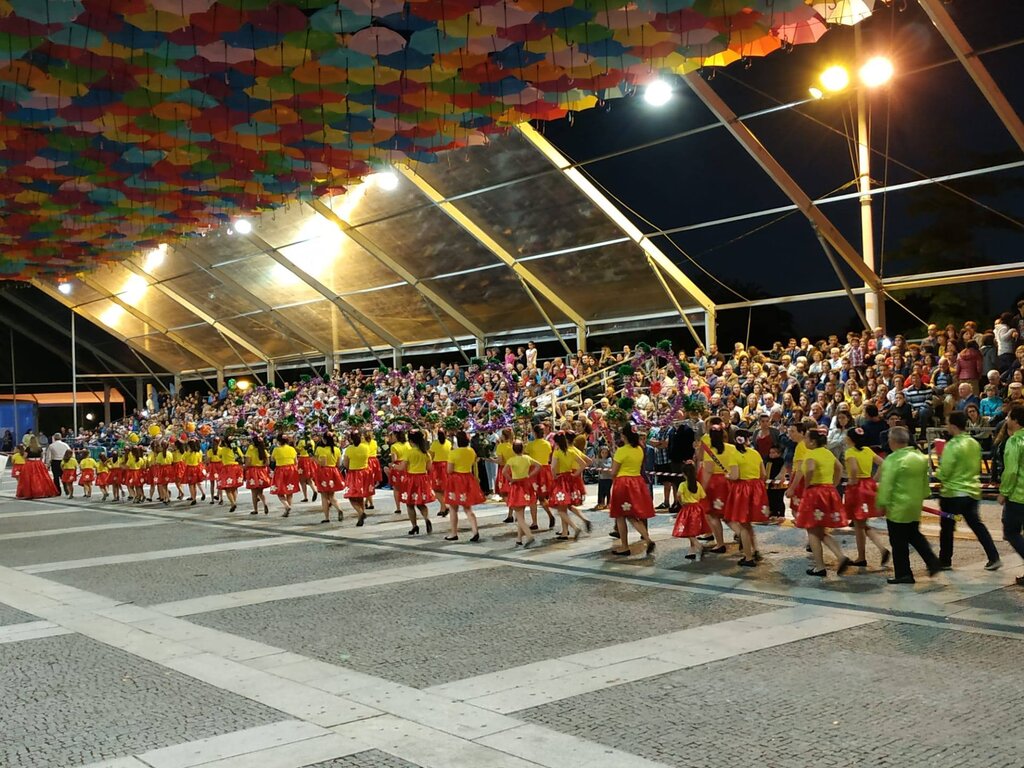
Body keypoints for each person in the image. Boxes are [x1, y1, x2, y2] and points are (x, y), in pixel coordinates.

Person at [875, 426, 942, 584]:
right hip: (914, 504)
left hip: (897, 507)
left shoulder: (893, 459)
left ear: (892, 441)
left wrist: (881, 503)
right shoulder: (919, 457)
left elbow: (887, 484)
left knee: (898, 542)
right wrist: (924, 494)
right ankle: (932, 561)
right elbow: (925, 481)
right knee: (914, 535)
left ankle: (903, 573)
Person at [937, 411, 1000, 570]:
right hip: (972, 491)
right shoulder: (974, 443)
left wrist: (939, 475)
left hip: (953, 493)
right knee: (977, 525)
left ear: (952, 425)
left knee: (947, 527)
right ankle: (993, 556)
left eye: (947, 423)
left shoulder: (952, 445)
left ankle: (945, 561)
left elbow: (946, 470)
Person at [788, 427, 850, 578]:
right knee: (820, 531)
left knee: (812, 530)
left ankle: (820, 566)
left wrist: (807, 486)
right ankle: (840, 556)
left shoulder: (810, 454)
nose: (805, 441)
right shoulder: (828, 453)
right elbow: (839, 468)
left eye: (807, 438)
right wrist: (833, 484)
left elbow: (808, 470)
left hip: (815, 493)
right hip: (828, 491)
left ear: (813, 441)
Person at [843, 427, 889, 567]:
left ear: (850, 439)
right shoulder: (868, 450)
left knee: (858, 525)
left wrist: (852, 480)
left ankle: (863, 556)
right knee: (861, 524)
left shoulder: (850, 452)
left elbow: (854, 469)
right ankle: (878, 550)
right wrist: (874, 479)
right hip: (868, 484)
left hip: (857, 488)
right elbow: (883, 464)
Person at [722, 429, 767, 567]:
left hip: (742, 490)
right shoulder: (755, 453)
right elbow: (763, 474)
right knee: (748, 525)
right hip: (756, 488)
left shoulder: (734, 455)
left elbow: (735, 476)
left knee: (743, 525)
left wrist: (728, 476)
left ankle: (748, 557)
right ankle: (755, 550)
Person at [609, 426, 656, 556]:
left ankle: (624, 546)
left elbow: (614, 471)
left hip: (623, 483)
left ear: (624, 436)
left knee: (620, 515)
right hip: (637, 482)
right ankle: (647, 538)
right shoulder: (640, 449)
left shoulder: (622, 451)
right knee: (632, 515)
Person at [996, 404, 1024, 586]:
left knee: (1011, 532)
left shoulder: (1014, 442)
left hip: (1019, 495)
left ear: (1015, 420)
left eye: (1008, 417)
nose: (1006, 420)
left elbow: (1012, 471)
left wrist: (1004, 492)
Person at [700, 418, 735, 553]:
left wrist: (702, 488)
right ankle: (744, 537)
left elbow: (708, 471)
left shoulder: (710, 451)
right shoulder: (732, 449)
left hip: (715, 484)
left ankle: (720, 543)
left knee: (713, 515)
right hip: (729, 481)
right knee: (730, 514)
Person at [443, 431, 483, 542]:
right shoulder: (471, 451)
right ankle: (475, 530)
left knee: (453, 508)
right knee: (467, 507)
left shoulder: (453, 453)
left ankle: (453, 533)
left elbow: (449, 470)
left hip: (456, 480)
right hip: (468, 478)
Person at [504, 439, 541, 547]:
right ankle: (519, 539)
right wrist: (530, 475)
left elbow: (504, 472)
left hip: (516, 486)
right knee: (521, 513)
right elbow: (539, 466)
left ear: (513, 450)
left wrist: (510, 479)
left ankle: (529, 536)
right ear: (523, 449)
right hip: (526, 485)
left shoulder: (511, 460)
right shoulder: (527, 458)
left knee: (519, 515)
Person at [397, 430, 434, 535]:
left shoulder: (409, 452)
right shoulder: (426, 453)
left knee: (410, 504)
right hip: (422, 479)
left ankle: (414, 526)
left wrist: (394, 466)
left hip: (411, 479)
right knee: (421, 503)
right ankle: (426, 519)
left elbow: (402, 467)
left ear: (411, 441)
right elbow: (429, 468)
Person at [671, 460, 710, 560]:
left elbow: (678, 495)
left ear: (684, 474)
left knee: (688, 530)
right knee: (692, 529)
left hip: (687, 509)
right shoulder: (697, 484)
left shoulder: (683, 485)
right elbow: (703, 496)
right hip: (697, 508)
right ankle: (692, 550)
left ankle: (698, 545)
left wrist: (681, 502)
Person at [549, 432, 584, 540]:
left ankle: (575, 527)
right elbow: (583, 464)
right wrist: (576, 474)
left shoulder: (557, 452)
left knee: (560, 509)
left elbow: (553, 467)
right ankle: (564, 532)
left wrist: (554, 476)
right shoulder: (571, 451)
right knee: (564, 507)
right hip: (570, 478)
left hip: (561, 479)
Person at [525, 424, 555, 530]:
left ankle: (534, 522)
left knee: (533, 497)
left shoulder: (530, 445)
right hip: (545, 470)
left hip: (534, 470)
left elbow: (525, 455)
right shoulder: (548, 444)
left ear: (535, 433)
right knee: (542, 497)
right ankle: (550, 514)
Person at [342, 430, 372, 526]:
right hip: (365, 472)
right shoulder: (366, 447)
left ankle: (360, 512)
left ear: (351, 438)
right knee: (360, 496)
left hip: (354, 474)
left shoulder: (349, 449)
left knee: (351, 496)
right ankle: (360, 517)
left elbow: (346, 464)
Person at [314, 432, 344, 523]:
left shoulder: (319, 449)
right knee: (331, 495)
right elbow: (338, 464)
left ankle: (327, 518)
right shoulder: (337, 450)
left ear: (324, 439)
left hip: (323, 472)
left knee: (324, 495)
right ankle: (339, 508)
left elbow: (319, 462)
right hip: (333, 471)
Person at [271, 434, 299, 516]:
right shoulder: (292, 449)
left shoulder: (276, 449)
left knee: (279, 490)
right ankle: (288, 508)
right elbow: (296, 461)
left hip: (280, 470)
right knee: (289, 490)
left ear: (279, 441)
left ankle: (286, 506)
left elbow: (272, 459)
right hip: (291, 470)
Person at [244, 435, 271, 515]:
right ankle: (264, 503)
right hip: (262, 471)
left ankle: (255, 510)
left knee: (254, 492)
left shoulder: (251, 449)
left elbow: (248, 462)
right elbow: (267, 463)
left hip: (253, 471)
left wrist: (244, 467)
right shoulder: (263, 450)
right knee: (260, 492)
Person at [429, 429, 451, 518]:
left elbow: (431, 456)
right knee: (444, 488)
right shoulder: (449, 443)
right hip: (446, 466)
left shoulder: (434, 444)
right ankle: (442, 508)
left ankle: (444, 505)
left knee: (436, 488)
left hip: (437, 467)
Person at [217, 439, 243, 513]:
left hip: (227, 469)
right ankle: (233, 502)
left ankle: (232, 503)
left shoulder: (223, 449)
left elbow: (219, 456)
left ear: (225, 443)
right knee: (234, 488)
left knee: (227, 488)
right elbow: (241, 457)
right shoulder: (236, 448)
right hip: (236, 468)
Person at [593, 446, 613, 511]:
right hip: (601, 478)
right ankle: (600, 503)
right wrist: (595, 461)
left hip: (608, 478)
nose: (604, 454)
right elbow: (596, 466)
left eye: (606, 453)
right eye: (602, 452)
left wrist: (601, 462)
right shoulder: (599, 459)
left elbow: (608, 466)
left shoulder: (609, 459)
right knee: (601, 491)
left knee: (607, 491)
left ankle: (608, 503)